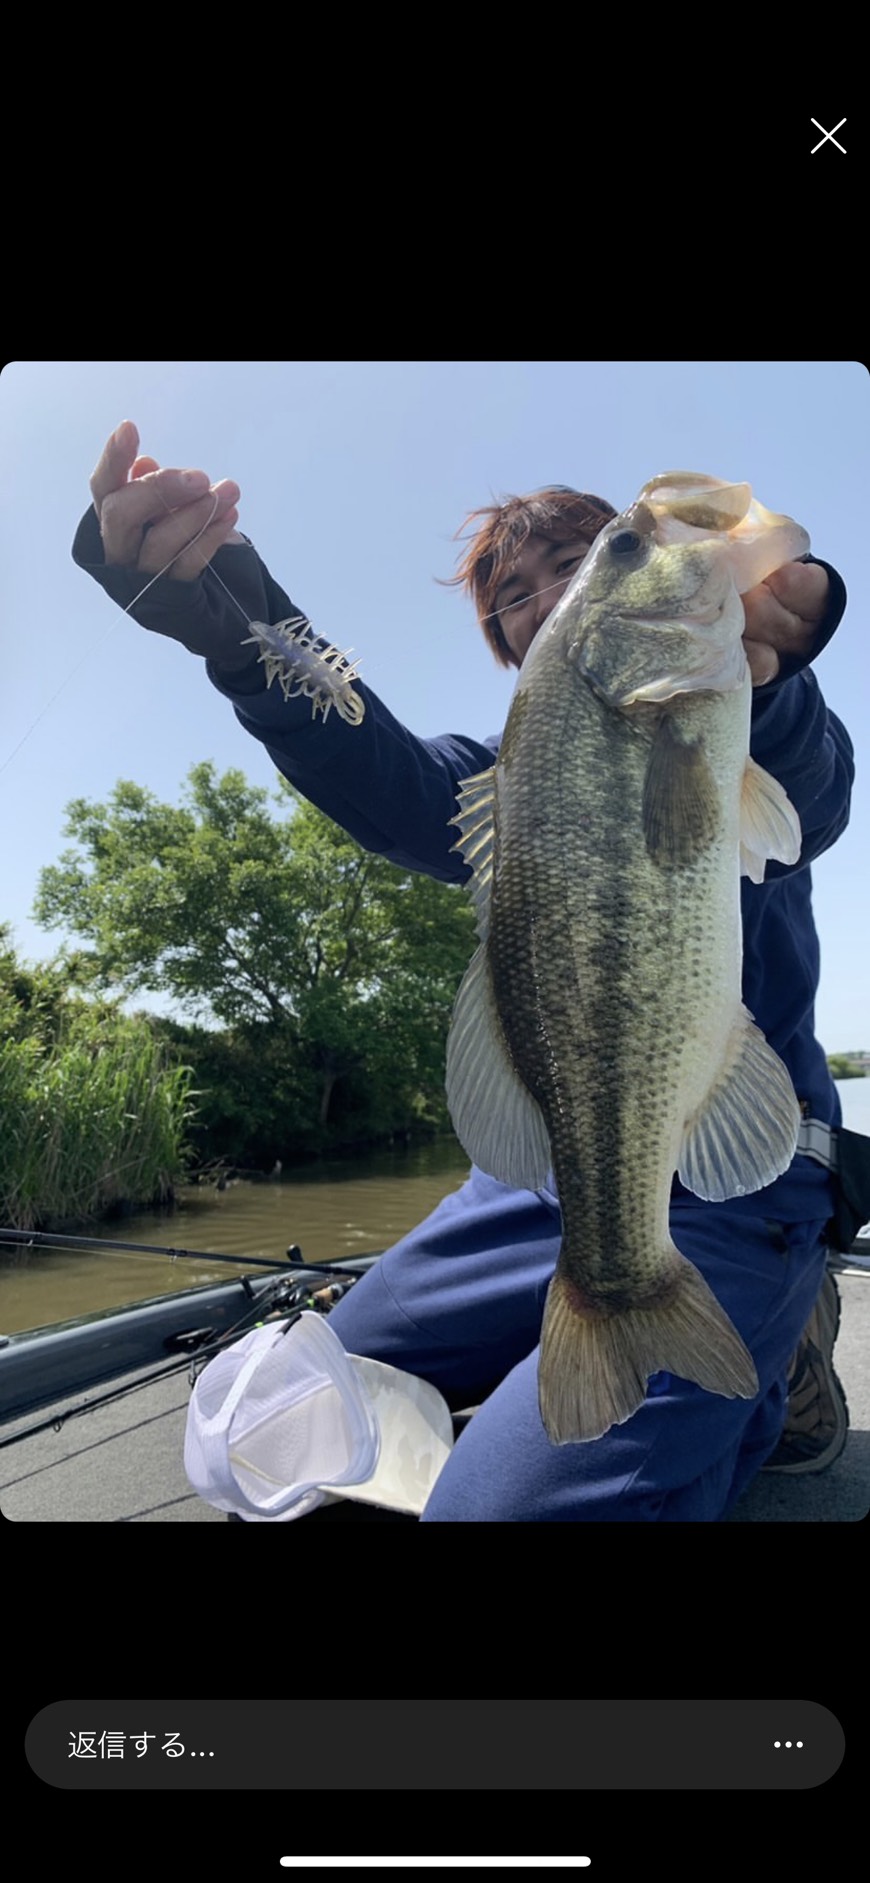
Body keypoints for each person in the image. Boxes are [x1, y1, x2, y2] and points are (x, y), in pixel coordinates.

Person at [72, 420, 855, 1521]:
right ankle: (618, 1355)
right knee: (283, 1412)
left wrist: (775, 677)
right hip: (537, 1186)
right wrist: (242, 628)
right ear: (511, 645)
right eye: (511, 597)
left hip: (739, 1187)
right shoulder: (501, 785)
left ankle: (775, 1371)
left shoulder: (734, 718)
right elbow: (383, 773)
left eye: (580, 559)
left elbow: (813, 798)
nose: (540, 597)